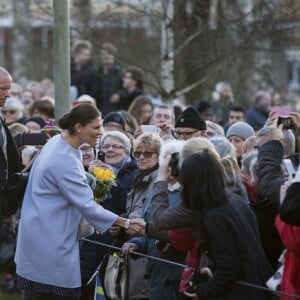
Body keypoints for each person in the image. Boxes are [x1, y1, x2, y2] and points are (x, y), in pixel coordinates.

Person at [14, 103, 137, 300]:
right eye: (96, 127)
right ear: (79, 127)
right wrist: (125, 222)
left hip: (38, 235)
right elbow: (87, 206)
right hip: (50, 243)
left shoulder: (57, 143)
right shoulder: (63, 159)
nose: (101, 132)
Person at [93, 42, 123, 116]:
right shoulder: (96, 72)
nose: (106, 56)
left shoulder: (120, 73)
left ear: (114, 56)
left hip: (115, 110)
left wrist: (119, 95)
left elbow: (126, 90)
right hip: (99, 110)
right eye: (103, 54)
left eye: (109, 54)